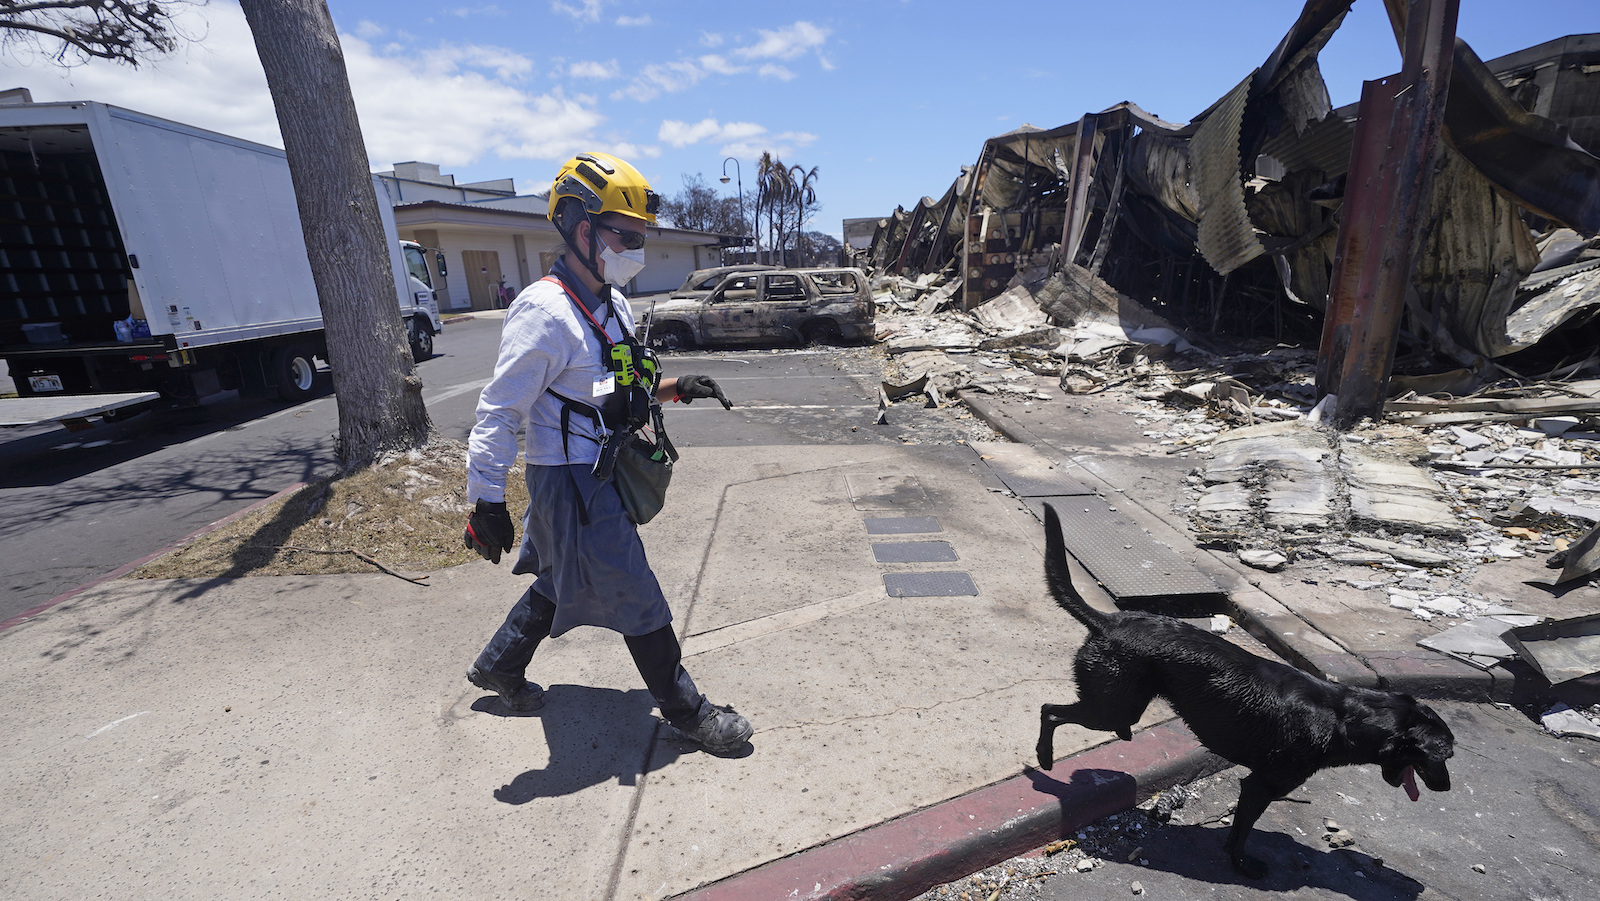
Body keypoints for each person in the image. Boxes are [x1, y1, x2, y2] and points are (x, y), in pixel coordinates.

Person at [461, 151, 752, 754]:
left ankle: (499, 665)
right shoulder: (544, 312)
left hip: (599, 468)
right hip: (567, 479)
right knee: (634, 589)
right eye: (626, 235)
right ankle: (687, 710)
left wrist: (673, 388)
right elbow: (499, 410)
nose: (635, 248)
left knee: (558, 576)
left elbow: (603, 386)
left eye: (640, 237)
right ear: (581, 227)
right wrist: (485, 500)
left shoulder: (613, 304)